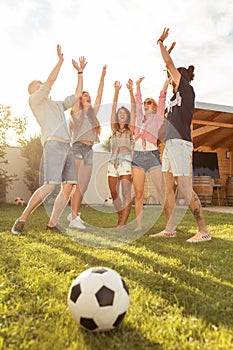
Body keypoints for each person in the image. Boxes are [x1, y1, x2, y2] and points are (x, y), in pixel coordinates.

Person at [11, 45, 82, 235]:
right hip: (53, 144)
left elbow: (76, 96)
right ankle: (21, 219)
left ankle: (52, 224)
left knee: (68, 186)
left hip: (67, 147)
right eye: (37, 84)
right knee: (50, 185)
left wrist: (80, 73)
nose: (40, 84)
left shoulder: (57, 104)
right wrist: (60, 61)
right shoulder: (35, 101)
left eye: (39, 83)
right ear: (32, 91)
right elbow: (50, 81)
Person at [151, 28, 211, 243]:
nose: (169, 77)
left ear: (180, 78)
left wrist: (160, 42)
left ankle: (203, 230)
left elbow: (169, 66)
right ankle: (169, 229)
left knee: (185, 189)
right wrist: (167, 55)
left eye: (172, 76)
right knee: (170, 190)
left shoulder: (186, 90)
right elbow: (167, 69)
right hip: (169, 145)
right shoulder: (175, 97)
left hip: (179, 144)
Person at [67, 63, 107, 229]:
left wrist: (103, 76)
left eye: (88, 96)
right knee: (76, 183)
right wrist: (80, 72)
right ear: (80, 100)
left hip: (90, 150)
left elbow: (99, 96)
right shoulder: (76, 113)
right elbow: (78, 95)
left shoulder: (92, 115)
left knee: (83, 185)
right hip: (78, 149)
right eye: (85, 96)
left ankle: (74, 214)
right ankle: (74, 217)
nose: (88, 97)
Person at [131, 76, 169, 231]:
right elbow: (137, 101)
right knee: (139, 193)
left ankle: (169, 224)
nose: (146, 104)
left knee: (161, 191)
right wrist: (137, 86)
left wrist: (167, 79)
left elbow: (162, 97)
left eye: (149, 102)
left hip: (152, 154)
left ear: (154, 107)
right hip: (138, 156)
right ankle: (138, 226)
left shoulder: (158, 117)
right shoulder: (140, 118)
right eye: (145, 103)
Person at [107, 79, 135, 228]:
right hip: (113, 161)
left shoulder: (130, 129)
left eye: (125, 113)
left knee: (125, 193)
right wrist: (116, 92)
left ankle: (122, 224)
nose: (122, 114)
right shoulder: (114, 129)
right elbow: (112, 109)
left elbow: (134, 110)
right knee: (113, 192)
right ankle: (121, 216)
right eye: (120, 113)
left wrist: (131, 91)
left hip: (125, 161)